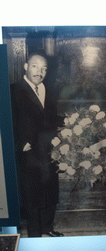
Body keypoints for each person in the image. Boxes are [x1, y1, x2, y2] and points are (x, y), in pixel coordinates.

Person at [10, 53, 63, 237]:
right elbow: (7, 121)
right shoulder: (13, 90)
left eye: (44, 69)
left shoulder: (48, 91)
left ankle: (47, 228)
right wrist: (18, 143)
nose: (39, 72)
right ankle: (34, 236)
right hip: (28, 153)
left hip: (49, 152)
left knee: (50, 192)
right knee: (32, 196)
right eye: (35, 66)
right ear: (25, 66)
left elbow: (52, 119)